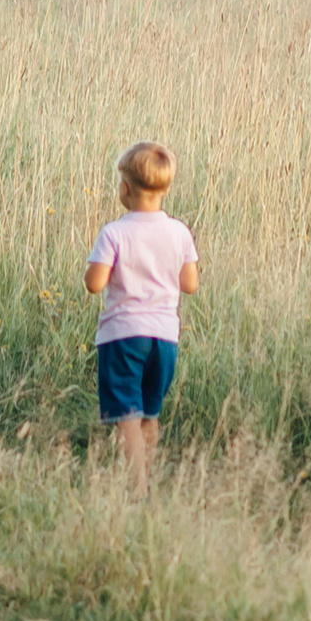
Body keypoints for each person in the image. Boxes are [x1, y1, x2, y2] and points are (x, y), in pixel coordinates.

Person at [84, 142, 200, 495]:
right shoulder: (179, 232)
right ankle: (147, 475)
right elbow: (190, 284)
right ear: (165, 189)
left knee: (126, 416)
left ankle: (137, 488)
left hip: (123, 335)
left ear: (124, 188)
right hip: (165, 337)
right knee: (150, 412)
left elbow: (94, 284)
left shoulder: (114, 233)